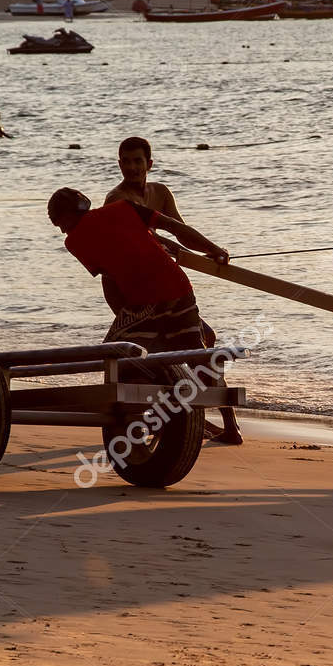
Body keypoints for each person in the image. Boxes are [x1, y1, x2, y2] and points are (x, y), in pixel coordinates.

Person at [48, 189, 242, 445]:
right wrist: (214, 249)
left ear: (69, 215)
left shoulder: (74, 242)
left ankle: (144, 420)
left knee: (116, 355)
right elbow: (176, 229)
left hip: (145, 301)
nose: (62, 231)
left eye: (60, 223)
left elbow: (111, 282)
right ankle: (229, 425)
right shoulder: (125, 207)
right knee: (197, 354)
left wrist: (125, 318)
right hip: (181, 289)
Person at [104, 137, 244, 443]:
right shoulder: (116, 200)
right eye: (126, 161)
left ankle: (225, 425)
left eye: (137, 161)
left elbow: (177, 229)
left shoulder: (161, 192)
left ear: (149, 164)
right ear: (119, 164)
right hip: (139, 296)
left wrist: (211, 252)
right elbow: (117, 261)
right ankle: (164, 418)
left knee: (204, 341)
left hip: (167, 290)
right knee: (130, 357)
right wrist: (121, 309)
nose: (131, 167)